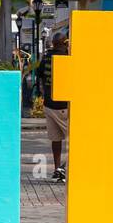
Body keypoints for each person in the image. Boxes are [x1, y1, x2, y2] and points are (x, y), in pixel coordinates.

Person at [35, 32, 69, 181]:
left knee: (56, 140)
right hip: (64, 106)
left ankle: (57, 169)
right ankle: (65, 167)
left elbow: (40, 76)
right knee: (77, 139)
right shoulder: (67, 57)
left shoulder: (47, 57)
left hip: (49, 104)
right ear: (64, 43)